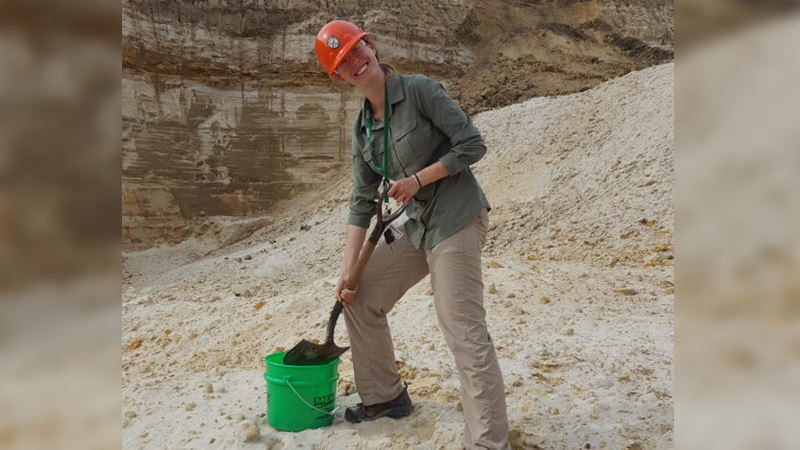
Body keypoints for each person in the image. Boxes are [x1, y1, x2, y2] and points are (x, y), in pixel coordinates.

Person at [314, 20, 511, 450]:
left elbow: (472, 143)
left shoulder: (419, 90)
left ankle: (488, 442)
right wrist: (346, 271)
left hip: (457, 218)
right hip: (417, 225)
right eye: (343, 61)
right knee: (359, 295)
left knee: (461, 326)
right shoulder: (363, 129)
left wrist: (420, 179)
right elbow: (361, 202)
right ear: (338, 77)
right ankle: (385, 398)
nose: (355, 60)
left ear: (371, 44)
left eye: (356, 48)